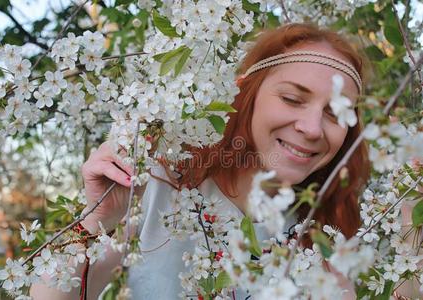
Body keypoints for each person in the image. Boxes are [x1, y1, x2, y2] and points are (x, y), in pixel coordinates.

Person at [30, 23, 371, 299]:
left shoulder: (324, 234)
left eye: (334, 113)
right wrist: (97, 221)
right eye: (292, 98)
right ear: (246, 92)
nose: (312, 128)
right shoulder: (162, 178)